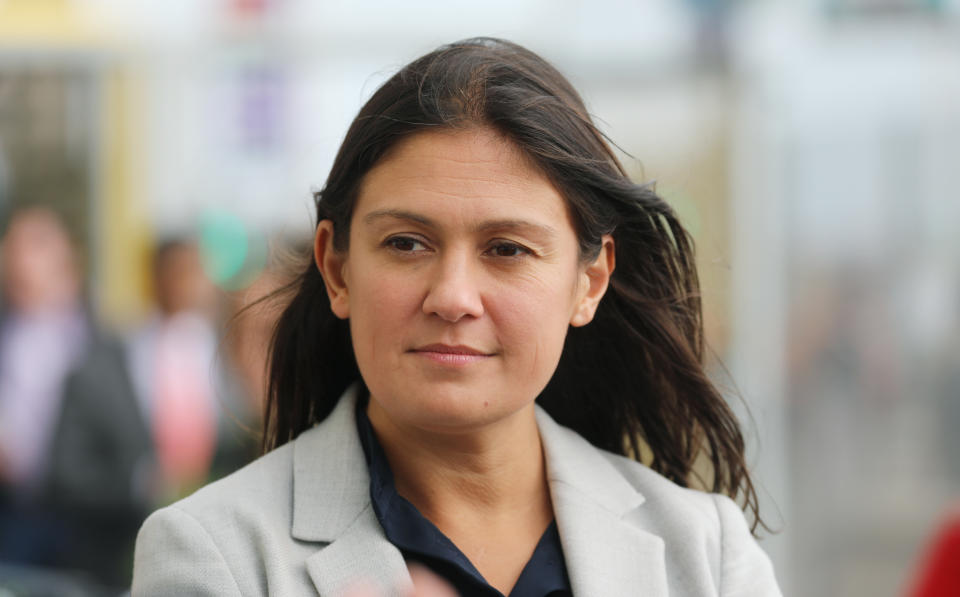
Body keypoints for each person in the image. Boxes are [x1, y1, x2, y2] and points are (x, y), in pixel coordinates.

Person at [132, 38, 782, 596]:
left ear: (589, 281)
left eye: (507, 249)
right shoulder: (214, 553)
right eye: (407, 243)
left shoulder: (706, 554)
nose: (452, 296)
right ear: (337, 269)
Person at [47, 238, 256, 589]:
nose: (192, 286)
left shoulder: (227, 356)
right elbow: (67, 470)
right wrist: (138, 482)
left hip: (212, 557)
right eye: (181, 272)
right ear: (157, 277)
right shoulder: (105, 362)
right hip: (116, 558)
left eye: (198, 274)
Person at [0, 207, 91, 566]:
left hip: (84, 522)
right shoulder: (9, 335)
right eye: (13, 248)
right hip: (14, 515)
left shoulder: (97, 341)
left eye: (34, 246)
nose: (19, 259)